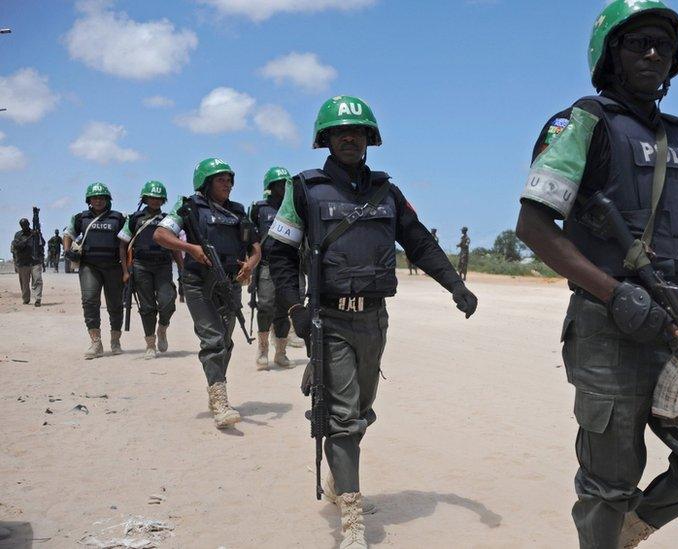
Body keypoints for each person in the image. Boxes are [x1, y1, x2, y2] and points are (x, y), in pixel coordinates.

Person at [515, 2, 678, 547]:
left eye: (662, 46)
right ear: (610, 53)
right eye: (637, 42)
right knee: (608, 482)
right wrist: (615, 294)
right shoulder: (582, 123)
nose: (651, 54)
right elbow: (533, 225)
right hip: (606, 328)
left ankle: (623, 533)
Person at [267, 95, 478, 549]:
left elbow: (418, 242)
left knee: (360, 413)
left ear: (369, 140)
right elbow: (279, 254)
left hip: (375, 321)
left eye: (358, 132)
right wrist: (295, 310)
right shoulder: (303, 189)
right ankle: (352, 517)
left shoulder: (388, 192)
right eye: (341, 132)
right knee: (344, 418)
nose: (349, 138)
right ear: (325, 139)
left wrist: (454, 285)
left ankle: (338, 479)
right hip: (328, 320)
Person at [154, 158, 261, 430]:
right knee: (212, 339)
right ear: (206, 182)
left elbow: (256, 248)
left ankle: (215, 389)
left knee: (226, 341)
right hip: (198, 281)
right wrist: (189, 248)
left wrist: (249, 265)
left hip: (230, 282)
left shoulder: (238, 211)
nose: (227, 185)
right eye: (220, 180)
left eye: (229, 180)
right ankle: (220, 402)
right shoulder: (188, 207)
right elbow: (160, 234)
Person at [118, 181, 182, 360]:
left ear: (163, 200)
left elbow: (175, 246)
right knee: (146, 307)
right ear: (145, 198)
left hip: (163, 265)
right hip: (141, 266)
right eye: (151, 198)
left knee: (168, 301)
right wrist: (125, 271)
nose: (155, 201)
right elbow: (123, 246)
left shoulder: (168, 220)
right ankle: (150, 344)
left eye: (158, 198)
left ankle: (162, 328)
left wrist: (182, 269)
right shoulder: (134, 218)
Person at [64, 183, 127, 359]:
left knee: (115, 305)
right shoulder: (80, 218)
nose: (98, 200)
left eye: (101, 197)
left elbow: (127, 242)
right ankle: (96, 342)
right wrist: (68, 251)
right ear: (89, 200)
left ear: (108, 199)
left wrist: (127, 269)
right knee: (90, 301)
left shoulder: (119, 218)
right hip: (89, 266)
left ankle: (115, 340)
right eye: (94, 198)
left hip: (113, 267)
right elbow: (68, 234)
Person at [249, 166, 297, 370]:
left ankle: (281, 353)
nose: (284, 188)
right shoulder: (259, 208)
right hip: (267, 265)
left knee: (285, 309)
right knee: (266, 306)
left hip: (289, 266)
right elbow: (251, 238)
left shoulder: (295, 208)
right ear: (270, 186)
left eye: (286, 184)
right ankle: (262, 349)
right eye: (279, 184)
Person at [10, 217, 43, 306]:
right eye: (23, 225)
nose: (25, 226)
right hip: (23, 262)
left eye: (27, 224)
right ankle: (26, 298)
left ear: (29, 224)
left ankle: (37, 299)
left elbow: (42, 244)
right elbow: (17, 246)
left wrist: (39, 235)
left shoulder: (35, 233)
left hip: (35, 261)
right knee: (24, 283)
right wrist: (30, 237)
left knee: (37, 280)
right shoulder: (18, 235)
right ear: (21, 226)